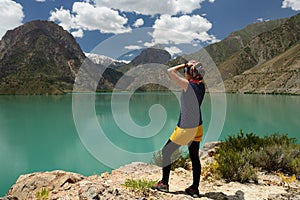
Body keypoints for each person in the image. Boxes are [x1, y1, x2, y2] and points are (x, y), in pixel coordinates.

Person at [151, 60, 206, 198]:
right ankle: (194, 188)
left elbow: (170, 72)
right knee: (194, 157)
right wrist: (193, 67)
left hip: (186, 128)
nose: (185, 73)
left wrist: (184, 64)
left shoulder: (189, 86)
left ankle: (164, 184)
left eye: (186, 72)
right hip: (198, 127)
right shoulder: (202, 86)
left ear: (191, 73)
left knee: (166, 151)